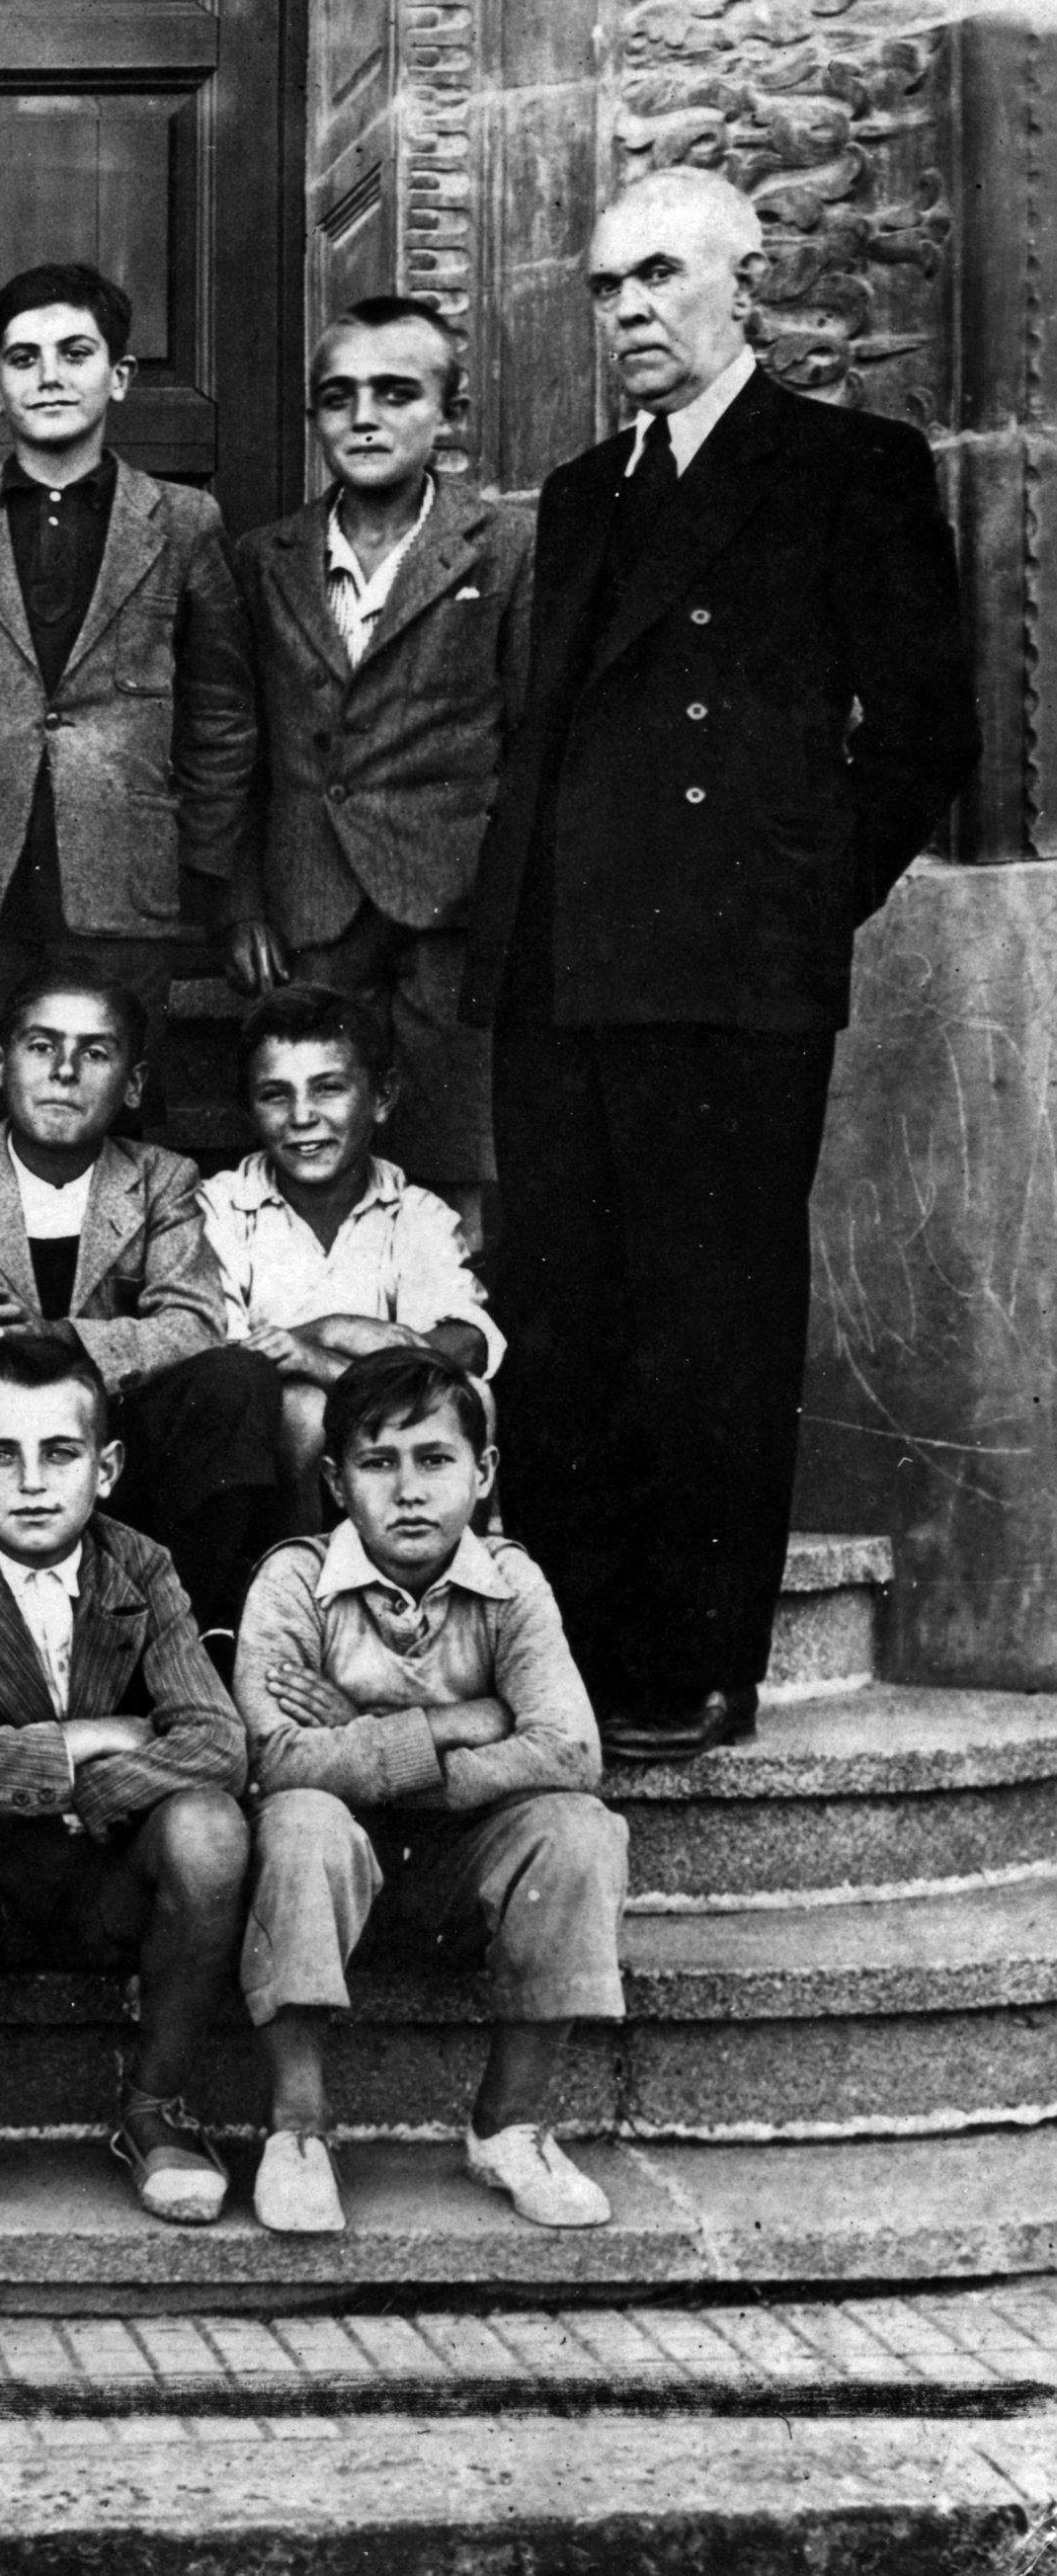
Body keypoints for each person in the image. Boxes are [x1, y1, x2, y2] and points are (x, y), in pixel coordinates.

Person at [466, 166, 973, 1763]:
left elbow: (921, 737)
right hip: (560, 972)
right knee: (563, 1311)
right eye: (604, 289)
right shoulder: (577, 491)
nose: (626, 314)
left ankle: (696, 1656)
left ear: (742, 286)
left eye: (660, 278)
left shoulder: (840, 467)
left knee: (706, 1314)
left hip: (726, 977)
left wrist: (784, 906)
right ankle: (575, 1641)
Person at [235, 1347, 626, 2237]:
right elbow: (270, 1759)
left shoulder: (510, 1582)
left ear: (482, 1474)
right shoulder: (293, 1580)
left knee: (578, 1830)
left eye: (434, 1460)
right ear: (335, 1483)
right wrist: (463, 1719)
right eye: (378, 1463)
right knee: (297, 1818)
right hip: (334, 1871)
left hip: (462, 1871)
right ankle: (296, 2132)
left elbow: (569, 1751)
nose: (407, 1490)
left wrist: (363, 1732)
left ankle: (508, 2125)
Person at [0, 1333, 250, 2228]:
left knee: (210, 1828)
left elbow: (218, 1745)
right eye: (3, 1455)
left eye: (60, 1453)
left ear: (106, 1466)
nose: (33, 1482)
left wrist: (67, 1780)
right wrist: (86, 1737)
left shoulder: (142, 1567)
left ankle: (155, 2103)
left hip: (118, 1876)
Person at [0, 264, 256, 1128]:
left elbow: (219, 708)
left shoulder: (181, 521)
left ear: (119, 376)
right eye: (22, 359)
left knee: (114, 1109)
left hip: (120, 874)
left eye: (74, 352)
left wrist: (193, 860)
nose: (49, 375)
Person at [223, 296, 532, 1210]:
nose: (363, 418)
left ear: (450, 415)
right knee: (311, 1144)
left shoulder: (508, 547)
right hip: (307, 903)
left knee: (453, 1161)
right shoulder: (262, 559)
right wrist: (239, 900)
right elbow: (233, 740)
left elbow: (528, 743)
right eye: (337, 397)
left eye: (395, 393)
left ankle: (443, 1338)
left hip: (453, 906)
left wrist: (506, 908)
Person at [0, 975, 276, 1633]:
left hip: (117, 1441)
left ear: (131, 1084)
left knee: (236, 1379)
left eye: (94, 1053)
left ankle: (182, 1628)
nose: (64, 1072)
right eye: (41, 1047)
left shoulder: (160, 1178)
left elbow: (191, 1323)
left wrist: (65, 1339)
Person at [200, 985, 500, 1506]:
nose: (301, 1116)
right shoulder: (223, 1208)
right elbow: (220, 1360)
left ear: (382, 1098)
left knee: (473, 1397)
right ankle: (293, 1571)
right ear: (249, 1109)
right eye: (275, 1094)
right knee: (304, 1411)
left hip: (391, 1445)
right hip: (272, 1464)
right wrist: (338, 1331)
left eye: (328, 1089)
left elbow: (466, 1340)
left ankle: (445, 1577)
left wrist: (321, 1358)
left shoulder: (414, 1212)